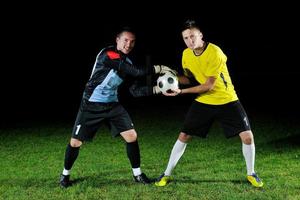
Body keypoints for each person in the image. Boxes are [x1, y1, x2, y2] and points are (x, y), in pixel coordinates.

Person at [59, 26, 172, 188]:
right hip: (91, 104)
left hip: (112, 105)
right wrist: (159, 68)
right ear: (117, 40)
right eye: (125, 40)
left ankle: (138, 174)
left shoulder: (128, 62)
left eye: (132, 42)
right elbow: (136, 72)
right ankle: (65, 175)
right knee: (75, 143)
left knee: (132, 136)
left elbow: (134, 90)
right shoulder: (108, 54)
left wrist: (158, 89)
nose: (128, 44)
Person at [155, 19, 263, 188]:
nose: (189, 41)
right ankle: (166, 174)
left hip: (227, 99)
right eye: (185, 38)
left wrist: (180, 92)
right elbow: (189, 78)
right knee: (184, 136)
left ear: (201, 35)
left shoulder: (215, 52)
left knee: (248, 137)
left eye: (192, 36)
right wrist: (173, 79)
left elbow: (208, 85)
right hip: (204, 102)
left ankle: (251, 173)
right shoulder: (186, 54)